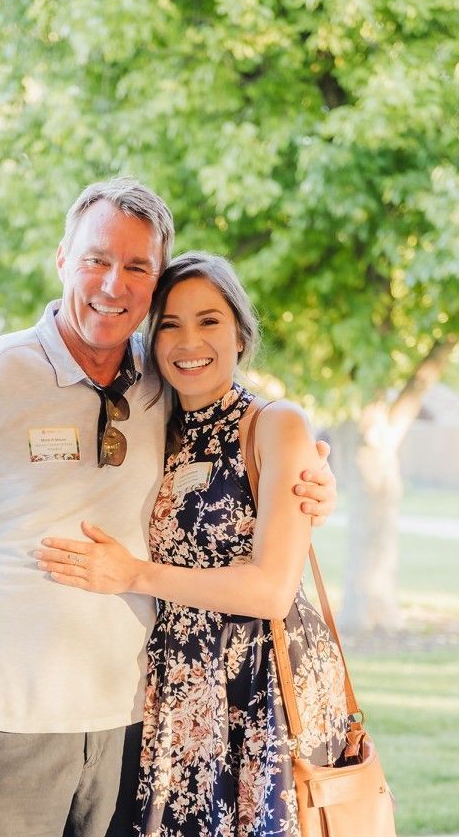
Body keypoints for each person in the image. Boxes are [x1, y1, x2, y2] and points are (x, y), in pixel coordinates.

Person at [0, 179, 337, 837]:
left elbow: (243, 446)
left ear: (153, 282)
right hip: (7, 722)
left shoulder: (161, 380)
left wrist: (314, 481)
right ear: (63, 260)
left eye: (136, 267)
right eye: (96, 260)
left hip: (135, 725)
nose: (113, 284)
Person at [25, 252, 349, 837]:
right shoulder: (150, 426)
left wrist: (132, 573)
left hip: (262, 683)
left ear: (241, 334)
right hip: (177, 684)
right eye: (170, 323)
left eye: (209, 321)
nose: (188, 340)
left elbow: (272, 590)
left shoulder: (277, 425)